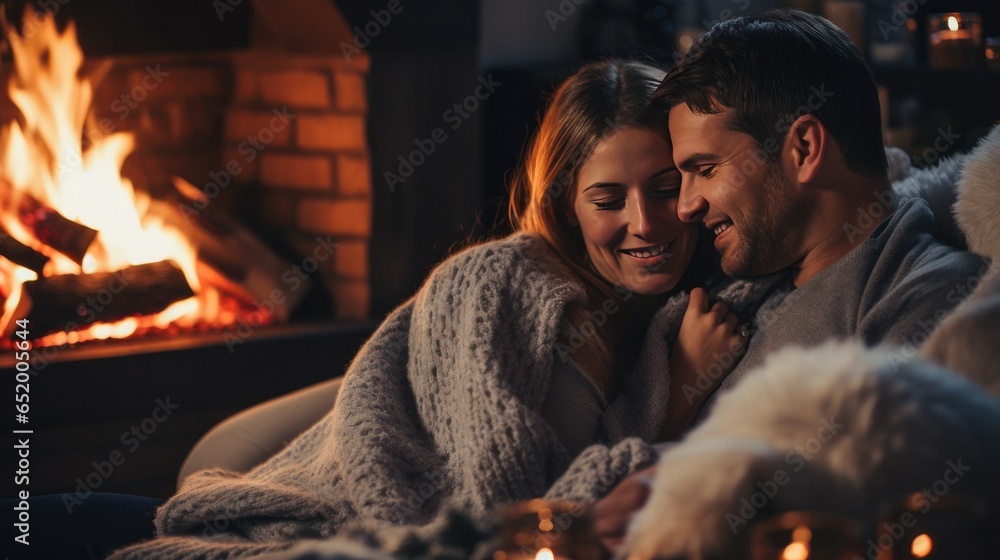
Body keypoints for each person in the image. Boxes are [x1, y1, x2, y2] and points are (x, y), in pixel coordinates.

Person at [98, 59, 764, 560]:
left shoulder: (678, 311)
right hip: (314, 519)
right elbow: (506, 517)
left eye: (667, 187)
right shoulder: (501, 282)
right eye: (608, 198)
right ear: (565, 204)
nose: (645, 223)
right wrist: (674, 394)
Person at [592, 9, 991, 553]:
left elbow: (905, 483)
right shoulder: (738, 288)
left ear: (802, 148)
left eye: (704, 169)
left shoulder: (935, 298)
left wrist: (702, 488)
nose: (685, 206)